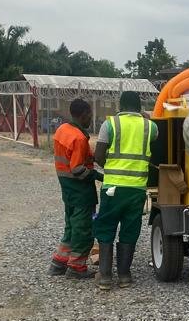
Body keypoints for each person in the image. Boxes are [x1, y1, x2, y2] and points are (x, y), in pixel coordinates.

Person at [93, 90, 158, 290]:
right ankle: (124, 276)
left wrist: (111, 168)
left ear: (120, 106)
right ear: (139, 107)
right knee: (130, 229)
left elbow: (98, 155)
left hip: (113, 186)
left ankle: (105, 277)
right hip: (137, 189)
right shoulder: (150, 126)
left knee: (106, 228)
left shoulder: (110, 124)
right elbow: (153, 140)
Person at [50, 98, 101, 279]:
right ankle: (76, 268)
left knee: (71, 226)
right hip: (81, 191)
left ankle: (59, 262)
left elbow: (70, 157)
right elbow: (78, 168)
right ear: (84, 114)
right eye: (90, 115)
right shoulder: (79, 138)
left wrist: (92, 156)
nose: (91, 119)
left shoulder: (63, 130)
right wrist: (98, 176)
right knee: (83, 229)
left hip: (68, 189)